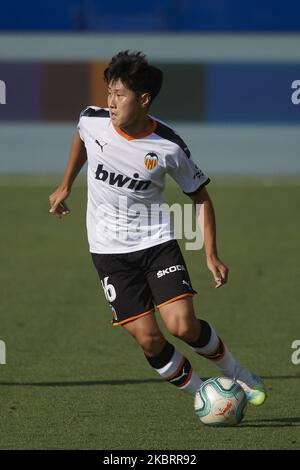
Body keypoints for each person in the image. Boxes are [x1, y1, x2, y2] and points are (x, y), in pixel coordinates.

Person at [49, 50, 266, 405]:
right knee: (149, 339)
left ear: (144, 100)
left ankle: (238, 374)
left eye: (120, 95)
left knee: (182, 326)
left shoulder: (168, 146)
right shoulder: (92, 120)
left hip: (156, 244)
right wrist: (65, 184)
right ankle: (205, 398)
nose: (112, 102)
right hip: (108, 253)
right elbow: (81, 140)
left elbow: (201, 198)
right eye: (110, 93)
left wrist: (211, 254)